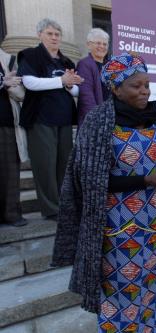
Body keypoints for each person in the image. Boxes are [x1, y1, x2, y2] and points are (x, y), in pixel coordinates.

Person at [52, 53, 156, 333]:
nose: (145, 91)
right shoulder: (99, 124)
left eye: (147, 84)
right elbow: (92, 181)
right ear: (115, 88)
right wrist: (145, 180)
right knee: (124, 292)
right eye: (136, 86)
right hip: (120, 230)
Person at [17, 18, 83, 220]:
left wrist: (70, 85)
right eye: (49, 33)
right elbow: (29, 83)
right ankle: (51, 209)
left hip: (63, 120)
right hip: (40, 120)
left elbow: (76, 89)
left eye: (57, 34)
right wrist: (61, 80)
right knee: (44, 165)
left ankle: (64, 205)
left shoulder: (65, 61)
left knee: (63, 165)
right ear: (40, 35)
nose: (54, 37)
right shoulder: (30, 55)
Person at [0, 48, 28, 227]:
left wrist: (12, 84)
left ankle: (11, 214)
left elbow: (21, 93)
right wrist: (2, 82)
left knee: (10, 173)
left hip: (7, 123)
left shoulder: (7, 60)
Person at [76, 28, 110, 125]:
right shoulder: (85, 64)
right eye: (98, 43)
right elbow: (86, 95)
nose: (102, 46)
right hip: (94, 122)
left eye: (105, 44)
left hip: (109, 119)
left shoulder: (109, 66)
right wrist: (97, 119)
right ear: (89, 45)